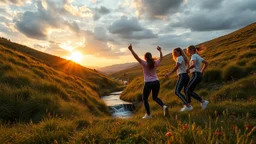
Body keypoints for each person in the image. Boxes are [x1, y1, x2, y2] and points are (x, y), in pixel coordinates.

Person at [128, 44, 168, 118]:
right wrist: (160, 51)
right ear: (151, 56)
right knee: (155, 97)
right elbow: (161, 58)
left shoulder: (144, 63)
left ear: (145, 58)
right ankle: (163, 106)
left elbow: (136, 57)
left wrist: (131, 50)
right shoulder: (155, 63)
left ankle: (148, 114)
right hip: (156, 82)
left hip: (148, 83)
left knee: (145, 98)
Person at [165, 47, 193, 111]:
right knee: (186, 91)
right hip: (185, 76)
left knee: (177, 92)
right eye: (173, 52)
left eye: (175, 52)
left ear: (179, 52)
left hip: (182, 76)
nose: (174, 53)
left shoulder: (179, 58)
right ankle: (189, 105)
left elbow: (177, 67)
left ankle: (188, 105)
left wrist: (169, 73)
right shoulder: (183, 58)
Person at [185, 45, 209, 110]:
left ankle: (203, 102)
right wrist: (202, 71)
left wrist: (187, 69)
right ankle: (188, 105)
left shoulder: (194, 56)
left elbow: (193, 65)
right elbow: (206, 63)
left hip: (196, 75)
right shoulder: (198, 56)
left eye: (187, 50)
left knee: (187, 90)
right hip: (198, 75)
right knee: (188, 90)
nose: (187, 52)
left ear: (191, 50)